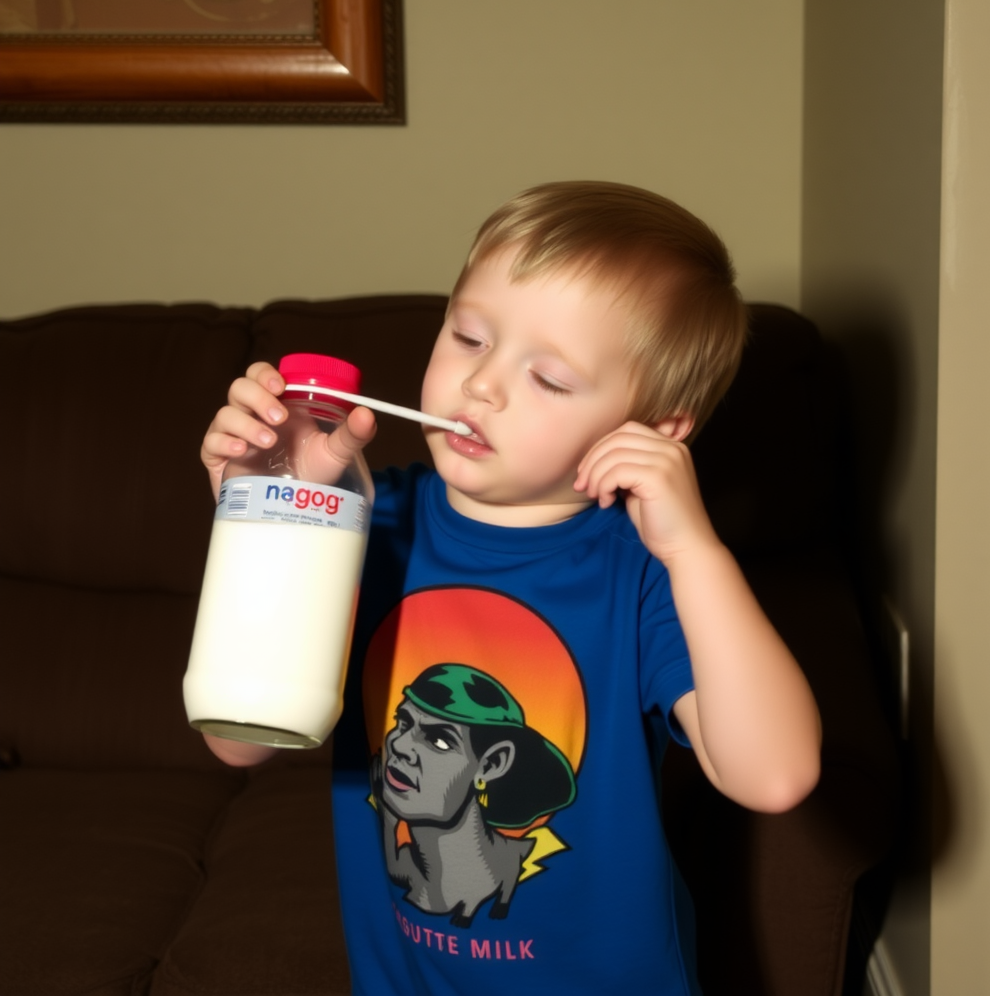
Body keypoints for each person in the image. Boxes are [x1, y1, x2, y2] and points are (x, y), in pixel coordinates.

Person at [199, 181, 822, 995]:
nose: (482, 385)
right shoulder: (366, 522)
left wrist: (694, 550)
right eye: (469, 337)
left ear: (654, 431)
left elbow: (773, 776)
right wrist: (270, 510)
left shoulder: (645, 572)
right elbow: (240, 741)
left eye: (549, 378)